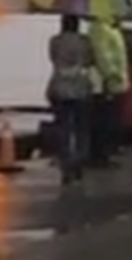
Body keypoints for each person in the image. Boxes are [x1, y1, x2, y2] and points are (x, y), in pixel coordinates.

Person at [46, 14, 95, 183]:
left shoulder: (55, 41)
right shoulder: (84, 42)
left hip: (59, 87)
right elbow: (90, 61)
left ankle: (66, 163)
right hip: (80, 88)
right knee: (82, 128)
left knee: (63, 128)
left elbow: (52, 58)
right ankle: (79, 160)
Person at [88, 17, 126, 167]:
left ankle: (104, 154)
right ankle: (100, 156)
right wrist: (111, 75)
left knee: (110, 120)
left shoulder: (110, 29)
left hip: (114, 83)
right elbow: (103, 55)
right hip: (106, 83)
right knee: (104, 120)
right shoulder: (100, 29)